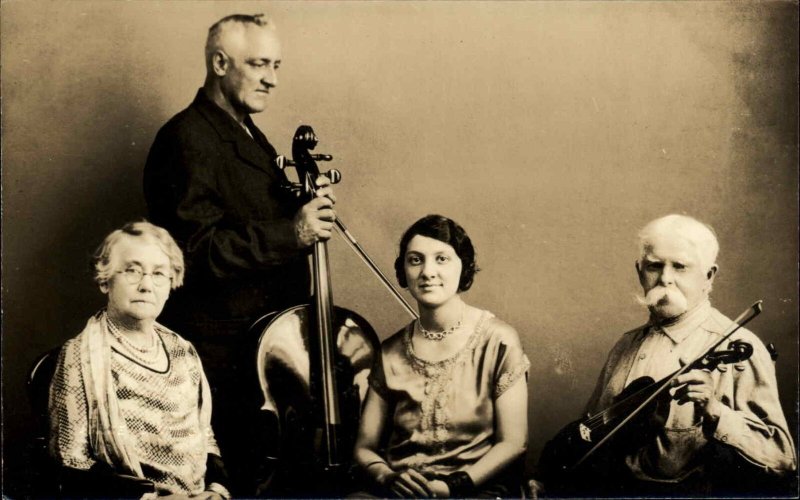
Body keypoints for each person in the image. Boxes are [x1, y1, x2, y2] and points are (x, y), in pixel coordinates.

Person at [142, 13, 335, 494]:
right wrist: (292, 233)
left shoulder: (242, 127)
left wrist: (300, 201)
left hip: (266, 344)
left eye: (277, 64)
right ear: (220, 62)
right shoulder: (188, 138)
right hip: (227, 356)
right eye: (259, 63)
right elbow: (194, 251)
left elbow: (243, 210)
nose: (272, 77)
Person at [547, 214, 796, 496]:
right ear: (639, 271)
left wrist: (715, 411)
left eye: (680, 267)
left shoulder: (738, 344)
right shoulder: (625, 344)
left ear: (709, 276)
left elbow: (782, 459)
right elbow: (590, 435)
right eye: (654, 266)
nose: (665, 279)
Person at [48, 221, 230, 499]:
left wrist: (216, 490)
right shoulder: (80, 356)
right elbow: (71, 461)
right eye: (132, 271)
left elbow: (204, 436)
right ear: (104, 280)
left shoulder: (182, 350)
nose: (146, 285)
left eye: (159, 274)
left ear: (171, 284)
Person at [353, 215, 530, 498]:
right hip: (404, 493)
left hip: (473, 489)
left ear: (464, 267)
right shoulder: (390, 351)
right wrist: (388, 477)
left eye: (442, 259)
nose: (427, 271)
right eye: (415, 260)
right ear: (404, 271)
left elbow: (514, 442)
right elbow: (364, 447)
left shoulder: (498, 339)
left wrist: (452, 486)